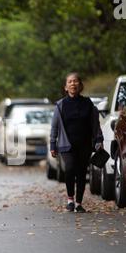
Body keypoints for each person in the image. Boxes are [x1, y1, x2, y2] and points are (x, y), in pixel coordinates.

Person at [50, 73, 103, 213]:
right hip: (67, 145)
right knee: (70, 169)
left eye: (75, 81)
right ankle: (70, 200)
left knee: (81, 173)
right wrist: (52, 144)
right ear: (66, 87)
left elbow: (95, 124)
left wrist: (99, 140)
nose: (73, 84)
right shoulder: (60, 105)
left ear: (80, 85)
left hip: (85, 144)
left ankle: (79, 203)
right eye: (70, 82)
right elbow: (54, 126)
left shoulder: (88, 103)